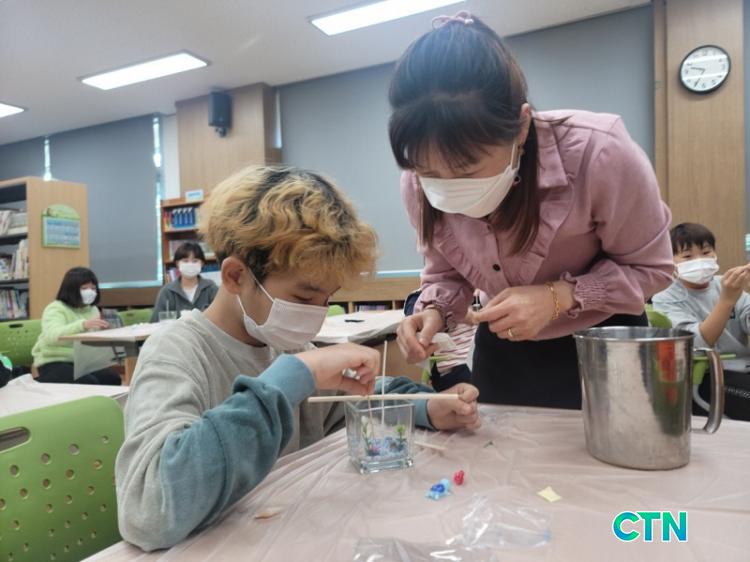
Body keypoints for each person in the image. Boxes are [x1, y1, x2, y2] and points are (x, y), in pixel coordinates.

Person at [115, 165, 481, 551]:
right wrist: (296, 373)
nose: (317, 314)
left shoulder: (285, 346)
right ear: (236, 276)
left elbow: (355, 398)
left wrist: (426, 407)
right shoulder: (176, 353)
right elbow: (149, 512)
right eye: (304, 297)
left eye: (326, 299)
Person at [388, 12, 674, 408]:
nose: (446, 185)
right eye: (428, 171)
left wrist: (559, 297)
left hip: (606, 342)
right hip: (504, 350)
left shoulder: (599, 152)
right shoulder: (416, 185)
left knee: (615, 447)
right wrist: (434, 313)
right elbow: (446, 273)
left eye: (466, 170)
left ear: (521, 126)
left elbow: (653, 269)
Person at [652, 223, 750, 420]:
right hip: (705, 375)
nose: (700, 261)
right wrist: (726, 301)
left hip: (743, 369)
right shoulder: (665, 298)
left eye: (706, 252)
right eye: (687, 256)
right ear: (670, 261)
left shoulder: (727, 284)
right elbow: (697, 343)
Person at [31, 267, 121, 385]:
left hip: (81, 361)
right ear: (71, 289)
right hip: (53, 360)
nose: (90, 292)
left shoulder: (92, 309)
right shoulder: (56, 308)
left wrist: (106, 331)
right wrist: (82, 325)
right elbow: (52, 336)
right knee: (88, 382)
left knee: (112, 379)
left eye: (93, 288)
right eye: (84, 288)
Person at [151, 241, 218, 322]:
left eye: (195, 261)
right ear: (177, 263)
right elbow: (155, 323)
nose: (190, 264)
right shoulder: (167, 291)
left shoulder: (211, 288)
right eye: (185, 261)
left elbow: (221, 318)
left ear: (202, 263)